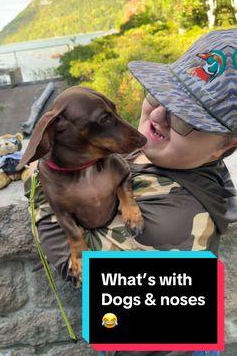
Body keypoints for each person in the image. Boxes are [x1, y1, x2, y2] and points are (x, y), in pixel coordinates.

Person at [25, 29, 237, 356]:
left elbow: (79, 269)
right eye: (159, 94)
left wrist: (41, 179)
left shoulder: (176, 217)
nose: (157, 115)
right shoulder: (167, 157)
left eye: (186, 118)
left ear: (224, 147)